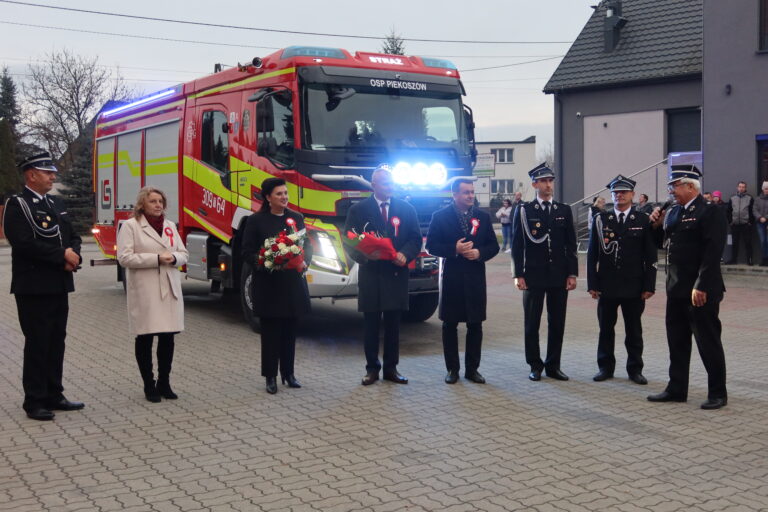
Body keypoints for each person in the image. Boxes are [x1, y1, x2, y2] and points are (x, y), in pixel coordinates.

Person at [2, 152, 84, 421]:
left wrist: (74, 253)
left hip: (59, 283)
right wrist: (62, 256)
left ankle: (54, 393)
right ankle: (34, 400)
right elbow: (24, 243)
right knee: (38, 342)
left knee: (56, 341)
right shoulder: (17, 205)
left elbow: (71, 235)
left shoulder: (56, 202)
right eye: (47, 172)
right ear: (31, 175)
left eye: (52, 172)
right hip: (34, 286)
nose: (53, 176)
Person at [647, 165, 728, 410]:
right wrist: (655, 226)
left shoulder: (710, 212)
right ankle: (676, 388)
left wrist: (701, 284)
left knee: (708, 342)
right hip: (676, 289)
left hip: (700, 291)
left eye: (675, 185)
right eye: (671, 186)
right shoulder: (672, 212)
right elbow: (661, 245)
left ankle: (717, 393)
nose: (671, 190)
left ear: (691, 186)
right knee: (677, 341)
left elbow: (713, 252)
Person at [344, 165, 422, 386]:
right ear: (374, 185)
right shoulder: (358, 210)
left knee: (393, 325)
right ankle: (371, 369)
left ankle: (391, 368)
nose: (390, 187)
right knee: (370, 324)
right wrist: (368, 256)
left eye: (392, 183)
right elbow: (349, 240)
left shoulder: (406, 209)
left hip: (396, 274)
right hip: (372, 273)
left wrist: (405, 255)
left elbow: (416, 239)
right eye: (386, 183)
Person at [117, 187, 189, 402]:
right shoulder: (131, 226)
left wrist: (175, 258)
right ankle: (149, 385)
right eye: (153, 201)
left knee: (168, 336)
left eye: (160, 201)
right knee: (146, 336)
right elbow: (124, 257)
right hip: (146, 289)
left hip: (169, 287)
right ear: (142, 204)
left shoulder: (169, 226)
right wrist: (156, 259)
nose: (158, 205)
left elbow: (183, 253)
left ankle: (164, 382)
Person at [241, 178, 312, 394]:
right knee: (271, 332)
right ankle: (270, 376)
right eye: (279, 194)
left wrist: (304, 260)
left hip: (291, 283)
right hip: (269, 284)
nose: (284, 197)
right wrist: (267, 262)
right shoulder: (255, 221)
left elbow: (305, 244)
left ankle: (288, 374)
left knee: (290, 331)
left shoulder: (296, 218)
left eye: (285, 193)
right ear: (268, 197)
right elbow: (247, 251)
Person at [426, 179, 500, 384]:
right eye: (466, 192)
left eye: (472, 192)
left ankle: (472, 370)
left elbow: (493, 246)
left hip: (475, 279)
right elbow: (431, 246)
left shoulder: (483, 217)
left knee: (475, 325)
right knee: (450, 325)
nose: (470, 196)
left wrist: (479, 253)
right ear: (455, 195)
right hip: (452, 279)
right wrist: (454, 250)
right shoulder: (440, 217)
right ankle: (452, 369)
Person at [587, 175, 656, 385]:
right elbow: (592, 255)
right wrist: (593, 284)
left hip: (634, 286)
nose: (619, 196)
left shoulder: (643, 220)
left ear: (632, 195)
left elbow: (650, 256)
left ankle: (635, 369)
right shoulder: (602, 220)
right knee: (606, 329)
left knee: (634, 330)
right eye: (616, 193)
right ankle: (605, 367)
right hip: (607, 285)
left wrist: (649, 285)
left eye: (624, 192)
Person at [511, 163, 578, 381]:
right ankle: (535, 365)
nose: (549, 185)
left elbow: (571, 244)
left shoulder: (563, 210)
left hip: (558, 275)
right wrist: (518, 274)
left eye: (551, 181)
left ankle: (553, 365)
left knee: (557, 322)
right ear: (535, 184)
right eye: (544, 181)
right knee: (532, 323)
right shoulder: (525, 211)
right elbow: (517, 244)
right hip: (533, 275)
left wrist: (572, 273)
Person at [726, 181, 755, 265]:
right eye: (740, 186)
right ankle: (733, 260)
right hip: (735, 225)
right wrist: (730, 222)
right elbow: (728, 211)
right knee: (735, 243)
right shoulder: (732, 198)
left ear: (745, 188)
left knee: (748, 243)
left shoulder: (749, 198)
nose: (741, 188)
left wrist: (750, 222)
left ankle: (749, 260)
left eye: (743, 187)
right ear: (737, 187)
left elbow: (752, 211)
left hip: (746, 224)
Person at [755, 181, 768, 266]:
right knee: (763, 241)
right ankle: (764, 259)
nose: (767, 190)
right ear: (763, 189)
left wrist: (766, 217)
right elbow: (754, 210)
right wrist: (760, 217)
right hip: (760, 223)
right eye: (766, 188)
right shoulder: (757, 199)